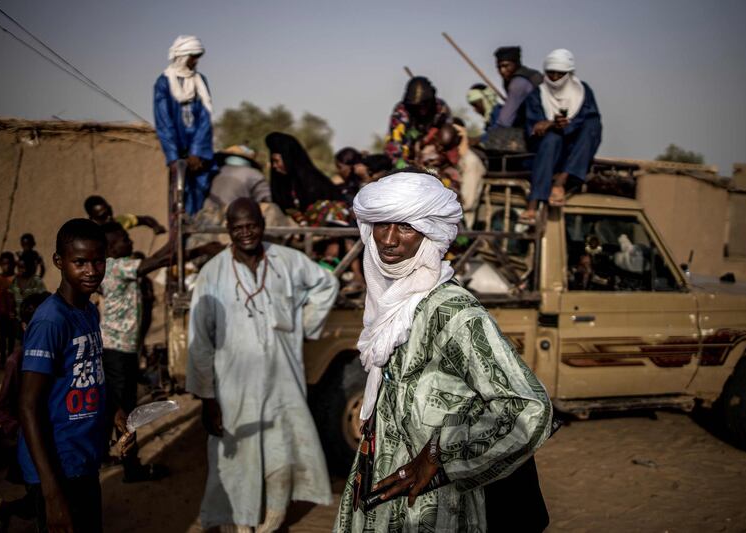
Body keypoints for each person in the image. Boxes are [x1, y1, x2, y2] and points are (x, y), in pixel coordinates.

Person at [334, 170, 552, 532]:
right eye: (381, 225)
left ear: (430, 234)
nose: (388, 240)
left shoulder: (454, 312)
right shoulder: (389, 305)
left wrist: (440, 455)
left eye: (405, 227)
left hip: (440, 504)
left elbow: (527, 407)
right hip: (387, 493)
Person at [186, 198, 338, 532]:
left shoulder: (286, 260)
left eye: (252, 225)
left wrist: (303, 325)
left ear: (262, 225)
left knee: (281, 451)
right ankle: (239, 523)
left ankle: (272, 519)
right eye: (238, 227)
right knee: (235, 458)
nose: (246, 233)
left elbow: (326, 284)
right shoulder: (213, 273)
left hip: (283, 380)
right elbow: (200, 341)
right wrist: (208, 399)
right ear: (228, 230)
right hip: (233, 386)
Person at [18, 219, 134, 532]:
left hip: (83, 460)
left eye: (98, 261)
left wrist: (113, 410)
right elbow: (28, 406)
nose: (91, 271)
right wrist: (52, 493)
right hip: (59, 467)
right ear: (59, 261)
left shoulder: (87, 310)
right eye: (80, 262)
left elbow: (89, 372)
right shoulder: (51, 321)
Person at [99, 222, 175, 483]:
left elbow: (158, 260)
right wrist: (176, 237)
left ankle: (108, 455)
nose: (130, 242)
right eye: (123, 239)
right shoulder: (116, 266)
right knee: (126, 412)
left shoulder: (115, 267)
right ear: (110, 247)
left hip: (120, 350)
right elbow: (153, 262)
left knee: (117, 407)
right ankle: (131, 467)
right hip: (118, 352)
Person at [0, 291, 51, 533]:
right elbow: (3, 406)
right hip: (30, 443)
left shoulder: (57, 355)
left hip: (55, 439)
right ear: (26, 327)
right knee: (41, 500)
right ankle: (3, 509)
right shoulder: (18, 360)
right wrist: (19, 433)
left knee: (46, 498)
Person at [522, 49, 602, 222]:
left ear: (569, 73)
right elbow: (533, 126)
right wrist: (551, 125)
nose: (555, 78)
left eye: (560, 74)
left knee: (592, 125)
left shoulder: (582, 92)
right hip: (546, 150)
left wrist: (568, 125)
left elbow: (587, 120)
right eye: (551, 73)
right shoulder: (537, 95)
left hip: (576, 150)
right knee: (552, 139)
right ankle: (534, 202)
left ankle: (560, 183)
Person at [154, 35, 215, 216]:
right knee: (179, 196)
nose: (196, 61)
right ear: (182, 56)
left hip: (198, 155)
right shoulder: (164, 82)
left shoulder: (200, 81)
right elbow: (164, 121)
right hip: (178, 152)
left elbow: (206, 116)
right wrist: (173, 156)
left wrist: (196, 151)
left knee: (201, 193)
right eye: (193, 56)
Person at [265, 132, 344, 218]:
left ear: (288, 159)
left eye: (276, 161)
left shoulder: (315, 184)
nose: (274, 166)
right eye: (273, 161)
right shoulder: (283, 185)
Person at [385, 76, 452, 169]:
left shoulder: (440, 108)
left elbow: (449, 133)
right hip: (408, 156)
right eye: (417, 107)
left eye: (425, 105)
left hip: (434, 153)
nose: (422, 111)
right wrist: (402, 165)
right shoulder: (401, 112)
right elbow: (394, 143)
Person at [490, 46, 544, 131]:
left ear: (516, 64)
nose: (502, 71)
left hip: (538, 125)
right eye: (499, 67)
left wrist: (485, 138)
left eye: (506, 66)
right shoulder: (511, 79)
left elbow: (504, 122)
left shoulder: (519, 83)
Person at [84, 195, 167, 234]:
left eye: (110, 211)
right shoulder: (90, 236)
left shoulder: (118, 222)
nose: (109, 217)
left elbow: (145, 219)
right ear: (92, 218)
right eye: (103, 216)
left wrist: (155, 226)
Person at [0, 252, 18, 367]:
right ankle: (3, 358)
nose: (6, 266)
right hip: (0, 313)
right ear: (0, 264)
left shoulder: (15, 278)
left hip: (11, 313)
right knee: (2, 337)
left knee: (11, 338)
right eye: (3, 264)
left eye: (8, 264)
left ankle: (10, 358)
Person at [9, 250, 47, 322]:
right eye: (19, 267)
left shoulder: (36, 281)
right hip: (18, 320)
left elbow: (43, 298)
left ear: (28, 267)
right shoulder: (15, 281)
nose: (20, 270)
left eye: (23, 267)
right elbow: (11, 297)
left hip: (33, 319)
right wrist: (11, 310)